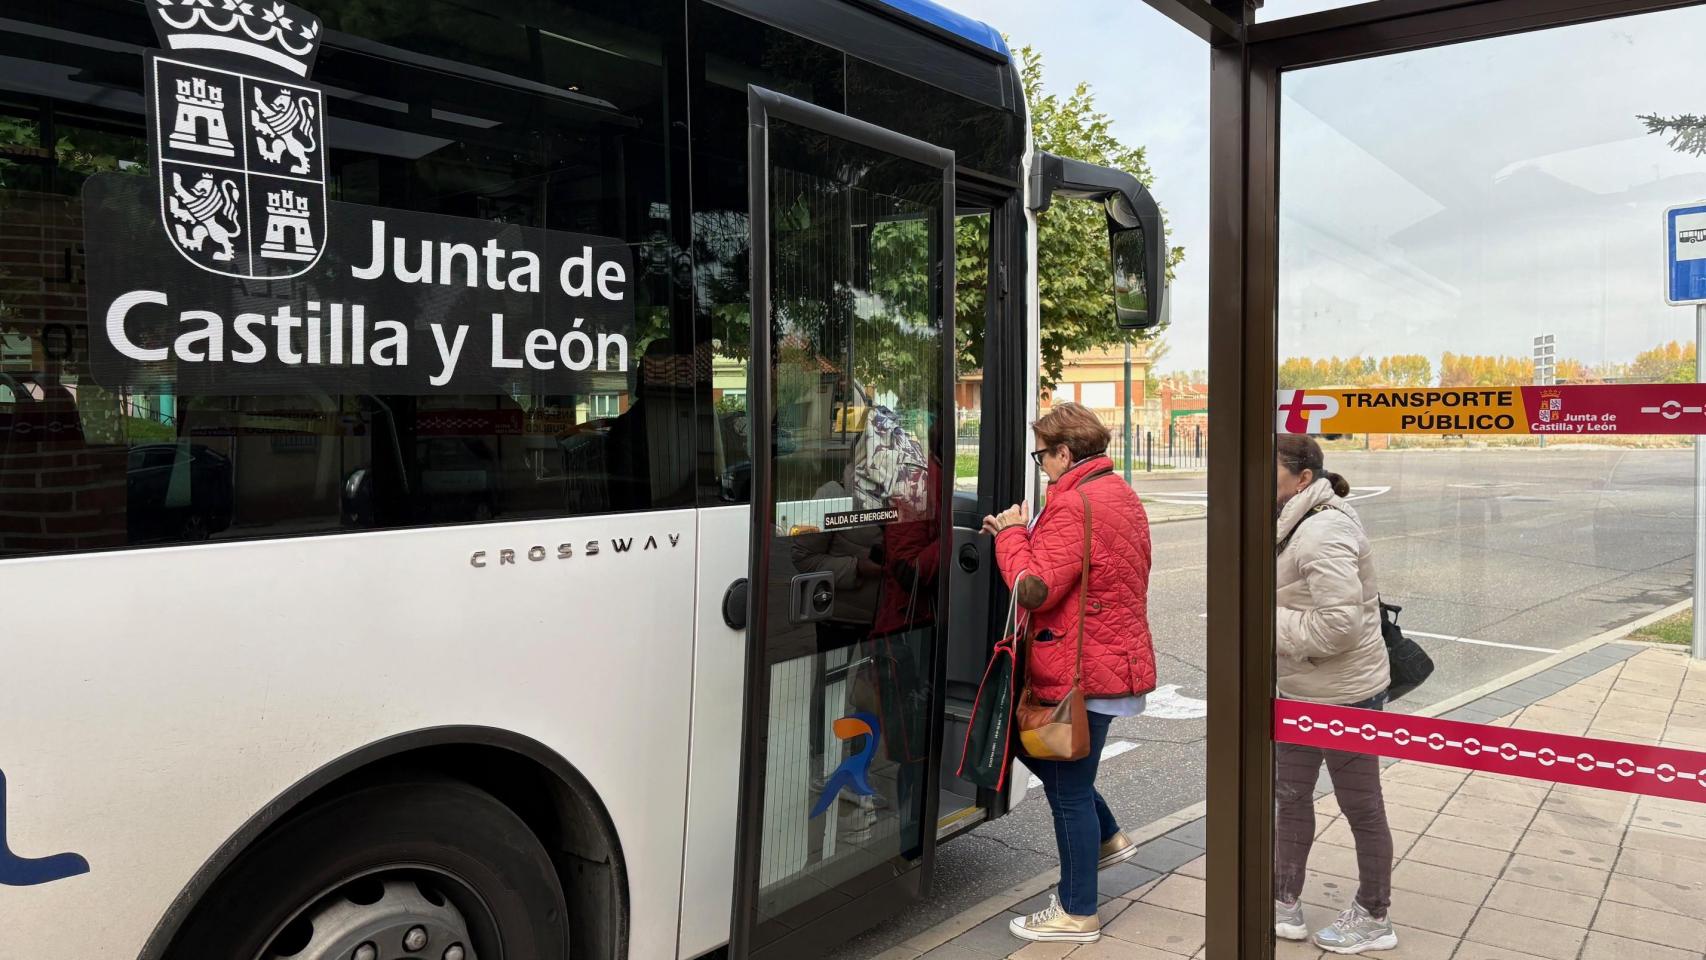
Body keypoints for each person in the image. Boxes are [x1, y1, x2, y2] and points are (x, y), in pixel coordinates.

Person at [982, 402, 1156, 945]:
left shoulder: (1075, 504)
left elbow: (1034, 586)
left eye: (1043, 456)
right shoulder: (1117, 493)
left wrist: (1010, 536)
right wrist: (1020, 534)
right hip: (1109, 663)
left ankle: (1078, 911)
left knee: (1067, 791)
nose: (1042, 466)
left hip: (1081, 671)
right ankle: (1106, 839)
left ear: (1064, 451)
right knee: (1045, 760)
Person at [1271, 434, 1396, 954]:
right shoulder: (1293, 521)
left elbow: (1339, 627)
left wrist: (1260, 621)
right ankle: (1283, 900)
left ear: (1303, 478)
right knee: (1291, 798)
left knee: (1361, 805)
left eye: (1268, 469)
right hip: (1301, 687)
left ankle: (1374, 915)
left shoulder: (1322, 531)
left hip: (1346, 694)